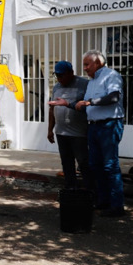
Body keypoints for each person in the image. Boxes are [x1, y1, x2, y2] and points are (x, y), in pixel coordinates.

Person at [75, 50, 125, 217]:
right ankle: (103, 202)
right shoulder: (91, 82)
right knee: (95, 165)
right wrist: (69, 104)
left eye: (87, 64)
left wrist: (91, 102)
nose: (85, 68)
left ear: (97, 63)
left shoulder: (111, 76)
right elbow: (86, 105)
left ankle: (117, 207)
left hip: (109, 125)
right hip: (94, 127)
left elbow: (114, 98)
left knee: (110, 166)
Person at [47, 60, 90, 190]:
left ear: (71, 73)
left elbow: (89, 105)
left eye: (62, 75)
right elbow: (52, 109)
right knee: (66, 162)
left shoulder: (84, 84)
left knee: (83, 162)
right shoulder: (56, 87)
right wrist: (50, 130)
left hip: (79, 133)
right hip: (61, 133)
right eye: (57, 76)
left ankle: (90, 190)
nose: (59, 79)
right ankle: (71, 189)